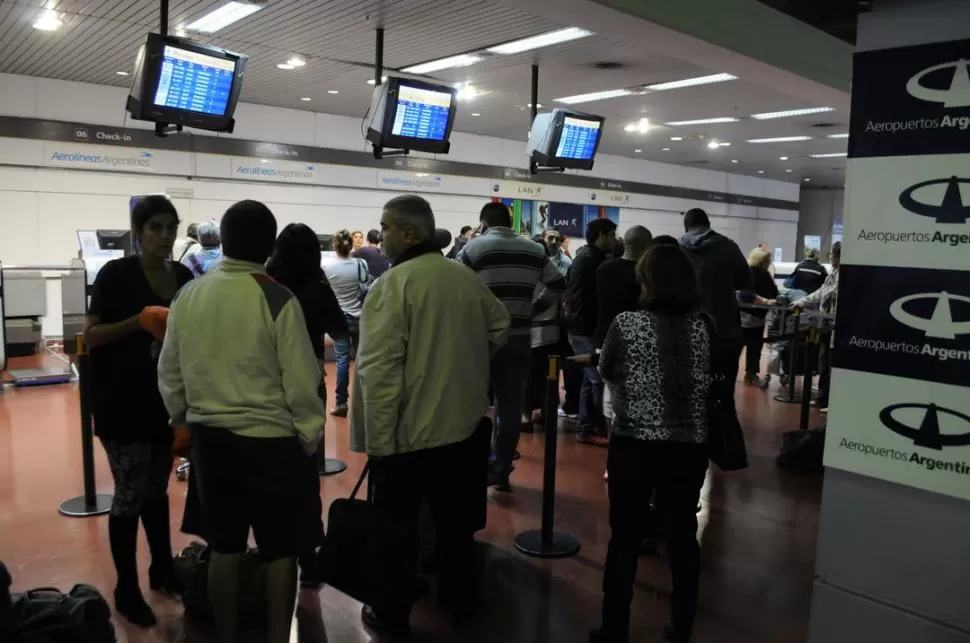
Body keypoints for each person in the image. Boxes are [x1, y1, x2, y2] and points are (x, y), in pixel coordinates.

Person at [158, 201, 326, 643]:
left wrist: (183, 418)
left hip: (212, 443)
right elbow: (302, 379)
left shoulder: (190, 294)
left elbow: (169, 369)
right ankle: (275, 635)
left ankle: (227, 635)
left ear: (223, 240)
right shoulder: (275, 296)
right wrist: (308, 437)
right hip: (272, 443)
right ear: (269, 245)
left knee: (225, 547)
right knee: (280, 550)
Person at [351, 195, 509, 638]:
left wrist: (379, 444)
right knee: (456, 526)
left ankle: (392, 612)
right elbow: (499, 327)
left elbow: (379, 374)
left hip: (408, 438)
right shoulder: (463, 277)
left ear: (410, 233)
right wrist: (467, 366)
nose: (379, 238)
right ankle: (460, 599)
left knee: (397, 530)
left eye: (385, 227)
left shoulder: (392, 286)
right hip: (463, 429)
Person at [591, 244, 712, 643]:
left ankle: (614, 628)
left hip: (634, 443)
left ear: (646, 281)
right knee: (681, 536)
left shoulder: (626, 324)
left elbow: (606, 368)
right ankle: (682, 627)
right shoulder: (704, 326)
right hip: (690, 444)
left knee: (625, 536)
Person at [85, 195, 193, 627]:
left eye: (170, 227)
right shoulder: (116, 275)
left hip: (162, 403)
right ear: (138, 232)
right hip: (120, 400)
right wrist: (138, 321)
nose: (164, 237)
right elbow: (91, 337)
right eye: (155, 228)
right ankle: (126, 587)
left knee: (155, 489)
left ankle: (162, 569)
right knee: (129, 492)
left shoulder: (184, 277)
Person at [457, 202, 566, 491]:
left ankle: (471, 468)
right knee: (510, 407)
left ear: (483, 223)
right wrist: (534, 309)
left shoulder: (474, 248)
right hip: (519, 337)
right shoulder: (534, 249)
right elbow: (558, 283)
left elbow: (454, 282)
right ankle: (502, 466)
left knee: (470, 404)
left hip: (480, 339)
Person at [266, 222, 349, 586]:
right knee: (304, 473)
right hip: (309, 378)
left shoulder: (266, 287)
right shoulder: (316, 289)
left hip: (266, 380)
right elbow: (341, 330)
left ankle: (270, 554)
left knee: (269, 469)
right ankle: (307, 559)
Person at [679, 208, 751, 386]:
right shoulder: (728, 246)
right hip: (723, 330)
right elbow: (747, 280)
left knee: (689, 389)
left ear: (686, 227)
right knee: (723, 391)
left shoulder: (675, 249)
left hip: (685, 331)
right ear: (709, 225)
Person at [564, 217, 618, 446]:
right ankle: (601, 426)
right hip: (584, 327)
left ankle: (585, 427)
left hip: (578, 326)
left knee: (589, 378)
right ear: (603, 235)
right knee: (597, 380)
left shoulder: (584, 256)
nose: (615, 240)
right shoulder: (595, 261)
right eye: (613, 235)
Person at [323, 229, 372, 417]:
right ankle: (364, 403)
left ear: (334, 245)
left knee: (342, 361)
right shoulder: (361, 263)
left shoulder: (328, 267)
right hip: (360, 318)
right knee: (363, 361)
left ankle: (341, 403)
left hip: (339, 319)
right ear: (351, 245)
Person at [792, 242, 840, 413]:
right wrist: (800, 302)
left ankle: (832, 401)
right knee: (823, 362)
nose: (830, 259)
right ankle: (821, 397)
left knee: (833, 364)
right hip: (824, 326)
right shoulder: (832, 274)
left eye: (832, 256)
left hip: (836, 329)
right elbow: (820, 293)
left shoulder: (846, 276)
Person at [739, 247, 779, 389]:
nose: (769, 263)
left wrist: (778, 298)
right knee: (737, 347)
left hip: (759, 318)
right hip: (744, 317)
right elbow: (746, 293)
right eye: (766, 260)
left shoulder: (765, 274)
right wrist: (765, 301)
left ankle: (751, 374)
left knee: (755, 347)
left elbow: (774, 291)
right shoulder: (748, 272)